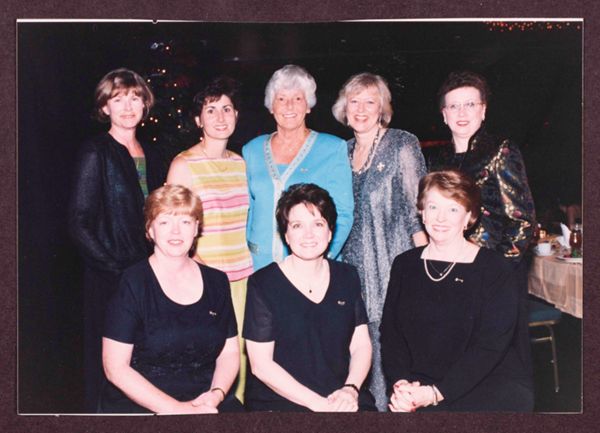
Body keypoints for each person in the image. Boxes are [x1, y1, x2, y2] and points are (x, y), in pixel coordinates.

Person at [380, 170, 534, 412]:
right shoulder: (404, 264)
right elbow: (391, 334)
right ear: (422, 212)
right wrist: (401, 384)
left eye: (453, 209)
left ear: (469, 217)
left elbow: (491, 346)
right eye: (433, 207)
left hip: (486, 383)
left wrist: (435, 393)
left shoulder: (495, 269)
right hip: (419, 384)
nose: (441, 218)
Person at [68, 68, 166, 411]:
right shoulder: (96, 151)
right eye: (118, 99)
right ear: (104, 107)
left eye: (135, 98)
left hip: (150, 275)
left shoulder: (152, 153)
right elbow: (79, 223)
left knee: (145, 364)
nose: (128, 107)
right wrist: (116, 270)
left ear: (145, 105)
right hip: (110, 280)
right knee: (110, 368)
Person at [331, 72, 428, 411]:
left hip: (395, 271)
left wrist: (425, 272)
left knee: (398, 362)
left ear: (382, 107)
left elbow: (418, 211)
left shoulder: (402, 143)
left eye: (370, 102)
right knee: (364, 360)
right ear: (343, 108)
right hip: (353, 277)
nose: (361, 109)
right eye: (354, 101)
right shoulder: (340, 152)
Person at [100, 184, 240, 413]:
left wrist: (216, 394)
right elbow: (115, 368)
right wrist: (177, 410)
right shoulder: (131, 283)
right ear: (150, 230)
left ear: (196, 228)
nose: (176, 232)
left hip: (205, 403)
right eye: (164, 222)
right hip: (141, 406)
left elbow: (230, 352)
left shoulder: (217, 282)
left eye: (185, 222)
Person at [243, 183, 375, 412]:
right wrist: (319, 405)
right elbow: (261, 365)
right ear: (286, 234)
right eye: (297, 225)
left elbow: (361, 345)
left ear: (330, 232)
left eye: (318, 224)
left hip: (341, 397)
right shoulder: (263, 283)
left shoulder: (347, 276)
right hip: (281, 402)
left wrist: (351, 389)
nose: (309, 234)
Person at [166, 77, 252, 401]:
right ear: (198, 120)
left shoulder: (241, 164)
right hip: (203, 279)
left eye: (227, 109)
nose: (220, 117)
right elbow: (172, 230)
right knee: (205, 360)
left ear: (236, 115)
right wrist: (202, 274)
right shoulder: (183, 165)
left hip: (242, 279)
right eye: (211, 109)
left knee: (239, 358)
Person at [243, 64, 353, 271]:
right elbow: (247, 211)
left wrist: (321, 257)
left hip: (311, 265)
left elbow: (344, 214)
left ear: (308, 105)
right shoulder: (252, 150)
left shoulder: (332, 148)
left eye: (298, 98)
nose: (289, 106)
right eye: (281, 99)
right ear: (271, 106)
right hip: (259, 265)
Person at [428, 70, 536, 263]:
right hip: (445, 263)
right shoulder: (436, 161)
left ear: (483, 110)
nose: (462, 113)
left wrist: (496, 267)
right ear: (444, 114)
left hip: (488, 264)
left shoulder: (500, 150)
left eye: (470, 104)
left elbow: (522, 222)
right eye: (454, 106)